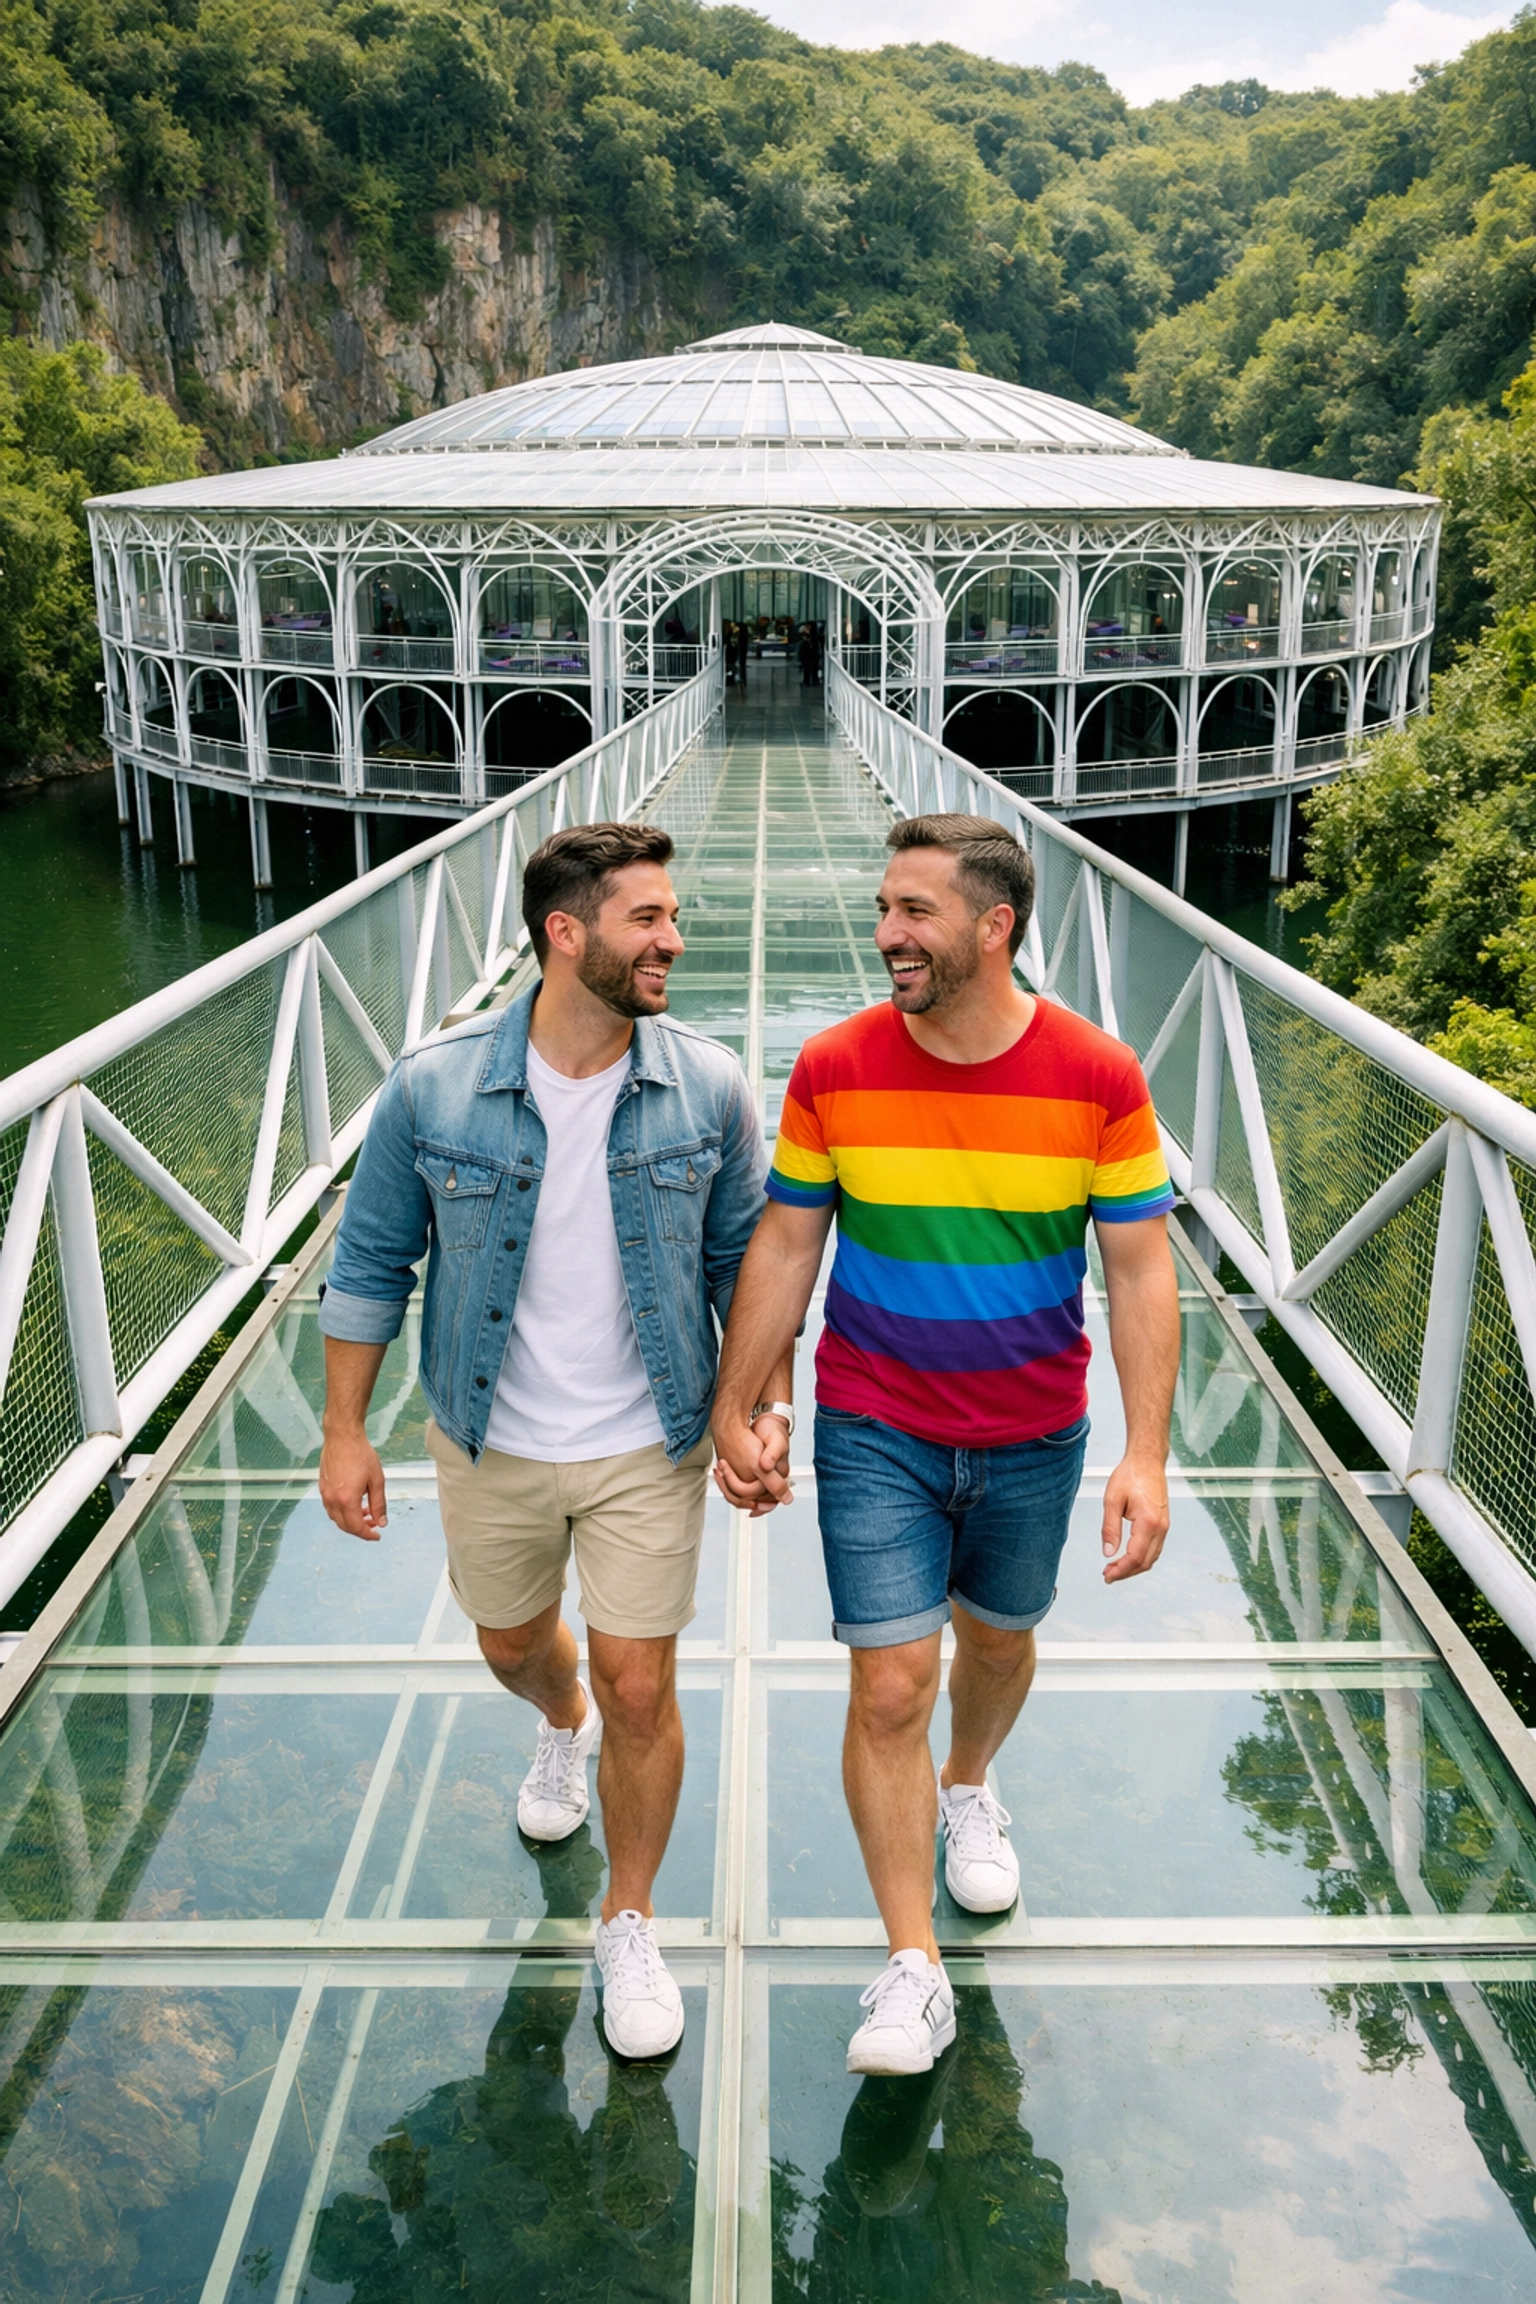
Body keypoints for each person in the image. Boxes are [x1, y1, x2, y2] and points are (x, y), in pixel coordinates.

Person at [712, 812, 1179, 2078]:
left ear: (996, 925)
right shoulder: (834, 1063)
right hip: (876, 1425)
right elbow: (790, 1240)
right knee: (888, 1682)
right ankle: (912, 1966)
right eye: (883, 909)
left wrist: (1146, 1453)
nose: (886, 936)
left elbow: (1139, 1267)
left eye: (914, 913)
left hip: (1035, 1431)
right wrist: (737, 1396)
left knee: (999, 1642)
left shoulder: (1098, 1074)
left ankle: (970, 1783)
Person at [317, 821, 783, 2060]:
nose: (673, 940)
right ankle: (554, 1712)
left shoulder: (711, 1084)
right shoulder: (432, 1085)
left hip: (651, 1438)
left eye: (673, 917)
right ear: (564, 933)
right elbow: (370, 1262)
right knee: (514, 1641)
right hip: (490, 1436)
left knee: (646, 1682)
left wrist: (756, 1409)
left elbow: (752, 1266)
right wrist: (343, 1432)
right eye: (647, 920)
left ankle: (628, 1919)